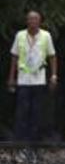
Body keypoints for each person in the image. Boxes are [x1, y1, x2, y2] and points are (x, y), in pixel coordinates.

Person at [7, 10, 58, 141]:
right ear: (26, 21)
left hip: (39, 77)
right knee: (22, 109)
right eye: (30, 19)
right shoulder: (20, 35)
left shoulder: (46, 36)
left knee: (37, 109)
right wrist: (11, 77)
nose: (33, 22)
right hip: (23, 77)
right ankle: (20, 137)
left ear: (40, 21)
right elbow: (14, 56)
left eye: (36, 19)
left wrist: (53, 75)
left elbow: (52, 56)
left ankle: (34, 137)